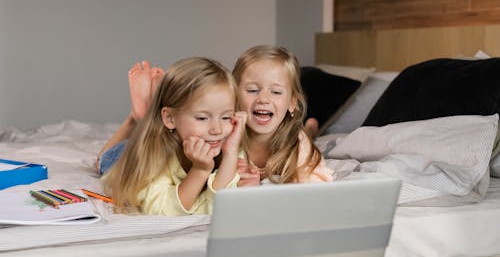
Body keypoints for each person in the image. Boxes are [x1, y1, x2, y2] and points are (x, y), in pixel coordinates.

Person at [101, 57, 246, 216]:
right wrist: (200, 170)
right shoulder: (154, 155)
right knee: (104, 160)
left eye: (226, 117)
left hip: (168, 134)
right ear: (170, 118)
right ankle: (134, 120)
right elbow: (164, 210)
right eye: (202, 118)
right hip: (129, 155)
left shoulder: (229, 144)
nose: (217, 130)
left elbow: (219, 206)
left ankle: (145, 115)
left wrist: (231, 153)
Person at [232, 45, 334, 185]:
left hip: (295, 131)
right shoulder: (228, 134)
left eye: (276, 92)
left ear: (292, 102)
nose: (263, 99)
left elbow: (314, 183)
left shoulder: (297, 143)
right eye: (252, 90)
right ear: (235, 97)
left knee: (305, 135)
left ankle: (310, 129)